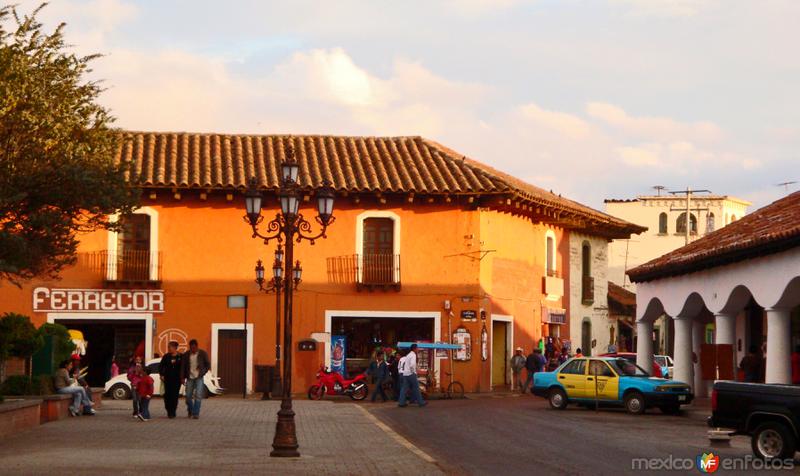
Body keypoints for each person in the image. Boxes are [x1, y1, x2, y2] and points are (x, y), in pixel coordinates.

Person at [181, 339, 210, 419]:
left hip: (199, 377)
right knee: (188, 396)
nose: (192, 350)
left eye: (194, 348)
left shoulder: (203, 354)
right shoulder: (186, 355)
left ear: (197, 347)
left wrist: (203, 371)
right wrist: (182, 377)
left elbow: (207, 365)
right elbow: (183, 367)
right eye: (191, 348)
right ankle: (191, 409)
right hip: (189, 377)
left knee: (198, 395)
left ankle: (196, 413)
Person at [159, 341, 183, 418]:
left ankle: (172, 411)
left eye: (170, 347)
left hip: (177, 379)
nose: (168, 348)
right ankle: (168, 409)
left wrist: (183, 377)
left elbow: (184, 368)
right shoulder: (166, 356)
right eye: (168, 347)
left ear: (175, 348)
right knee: (167, 395)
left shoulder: (181, 356)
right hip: (167, 379)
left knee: (174, 396)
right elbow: (161, 366)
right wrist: (161, 374)